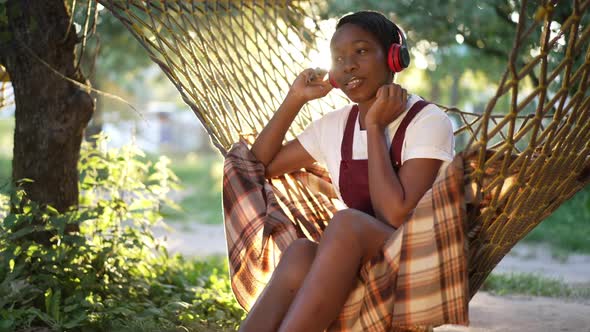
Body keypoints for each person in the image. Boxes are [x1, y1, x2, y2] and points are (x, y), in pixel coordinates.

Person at [240, 10, 455, 332]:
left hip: (419, 264)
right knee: (301, 252)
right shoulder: (336, 125)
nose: (349, 64)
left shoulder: (427, 120)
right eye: (338, 58)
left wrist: (374, 126)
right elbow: (260, 165)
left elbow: (397, 215)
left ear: (394, 58)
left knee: (347, 222)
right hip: (359, 263)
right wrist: (295, 99)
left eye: (362, 51)